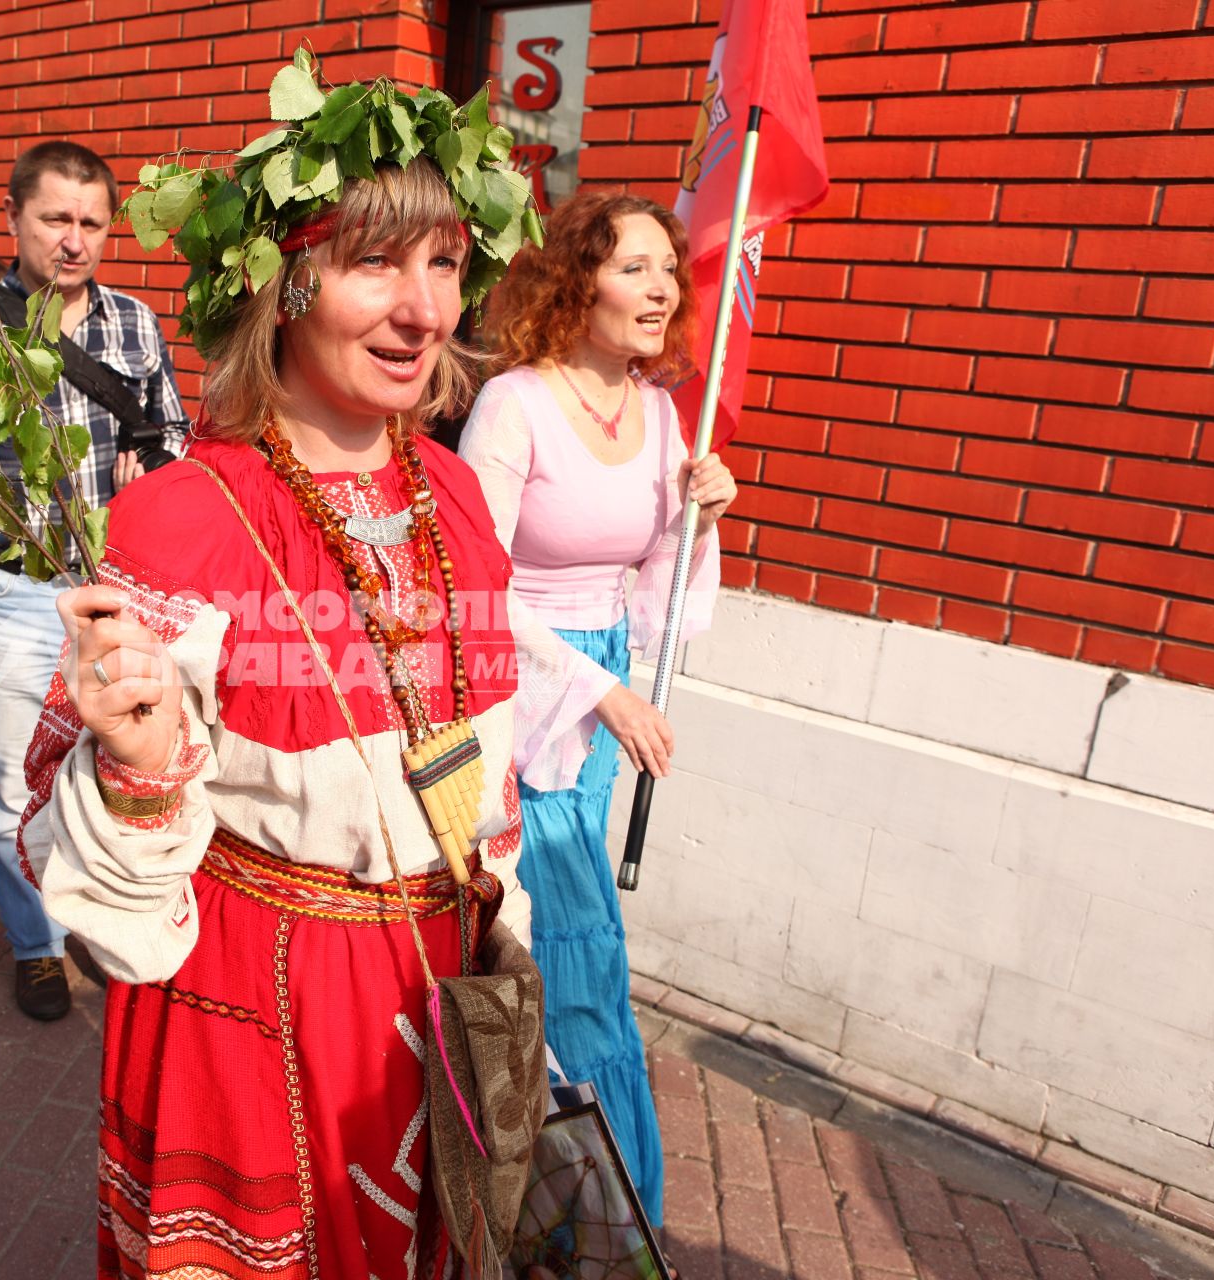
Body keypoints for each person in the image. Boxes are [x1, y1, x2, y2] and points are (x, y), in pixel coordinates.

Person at [16, 91, 541, 1277]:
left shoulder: (454, 492)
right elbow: (54, 820)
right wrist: (138, 769)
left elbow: (482, 763)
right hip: (257, 1002)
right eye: (376, 264)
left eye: (447, 263)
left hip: (437, 982)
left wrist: (499, 924)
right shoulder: (182, 516)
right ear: (287, 284)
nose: (425, 309)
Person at [458, 189, 737, 1227]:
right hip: (521, 691)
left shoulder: (663, 411)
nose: (663, 285)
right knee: (564, 931)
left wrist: (699, 518)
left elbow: (659, 586)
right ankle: (588, 1196)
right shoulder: (515, 403)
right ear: (579, 283)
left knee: (561, 928)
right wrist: (595, 687)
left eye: (670, 266)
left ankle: (561, 1179)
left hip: (604, 680)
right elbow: (473, 588)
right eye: (635, 266)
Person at [0, 140, 189, 1023]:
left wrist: (159, 468)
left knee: (118, 767)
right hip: (10, 594)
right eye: (55, 219)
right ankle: (36, 944)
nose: (74, 240)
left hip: (113, 588)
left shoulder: (134, 325)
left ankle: (100, 919)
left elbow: (170, 432)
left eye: (91, 223)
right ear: (14, 220)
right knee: (11, 789)